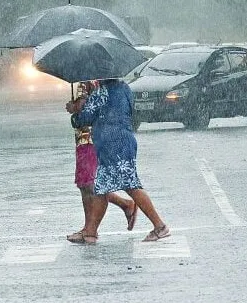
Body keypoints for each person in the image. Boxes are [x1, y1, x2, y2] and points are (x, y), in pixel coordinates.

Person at [66, 78, 169, 244]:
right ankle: (90, 232)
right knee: (102, 187)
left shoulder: (102, 92)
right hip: (122, 139)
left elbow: (85, 118)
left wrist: (74, 113)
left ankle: (160, 226)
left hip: (113, 143)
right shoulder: (124, 87)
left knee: (130, 185)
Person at [65, 81, 138, 244]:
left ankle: (92, 229)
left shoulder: (92, 81)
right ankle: (89, 227)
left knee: (92, 184)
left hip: (93, 138)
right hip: (83, 138)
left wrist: (74, 107)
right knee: (84, 185)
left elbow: (87, 107)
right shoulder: (89, 80)